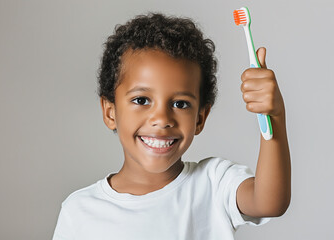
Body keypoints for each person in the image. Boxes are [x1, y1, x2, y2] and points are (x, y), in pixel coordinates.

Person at [52, 12, 291, 240]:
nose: (162, 118)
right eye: (141, 100)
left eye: (180, 103)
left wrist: (275, 116)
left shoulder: (214, 183)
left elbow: (270, 202)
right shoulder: (79, 210)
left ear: (200, 118)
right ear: (110, 112)